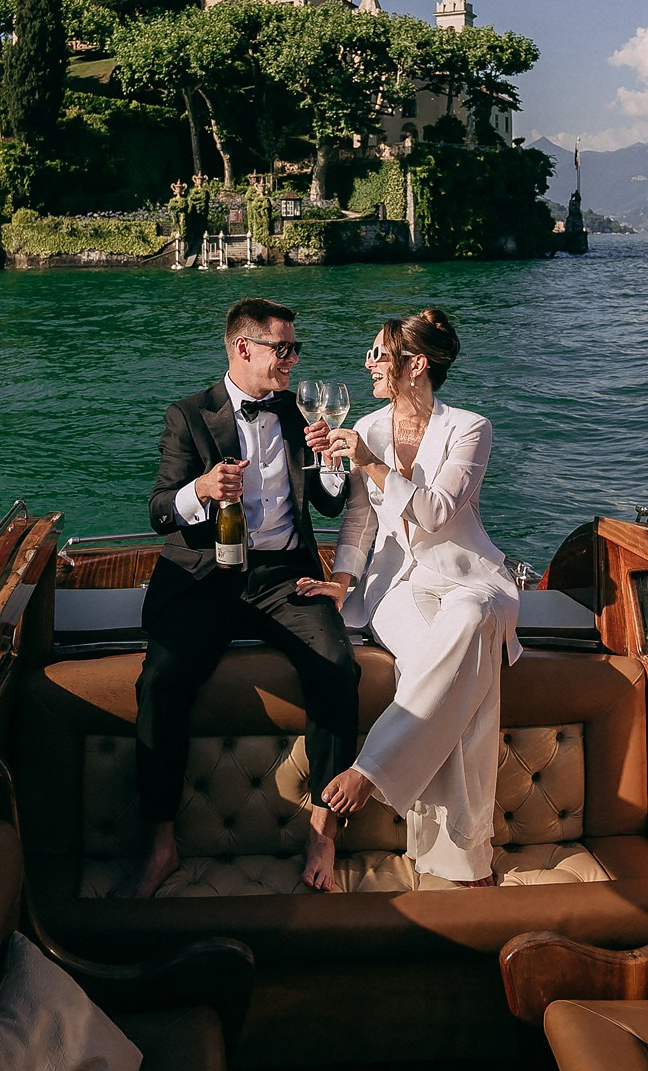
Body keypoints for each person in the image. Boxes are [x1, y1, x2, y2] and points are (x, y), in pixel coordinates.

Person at [135, 297, 354, 896]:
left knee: (337, 666)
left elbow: (331, 502)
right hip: (209, 576)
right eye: (282, 349)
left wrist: (328, 458)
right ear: (243, 349)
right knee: (160, 681)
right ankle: (160, 844)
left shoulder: (295, 410)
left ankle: (323, 831)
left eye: (294, 348)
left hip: (287, 577)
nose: (291, 360)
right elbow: (159, 512)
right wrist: (200, 489)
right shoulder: (188, 415)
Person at [307, 308, 520, 887]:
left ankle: (371, 771)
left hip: (466, 576)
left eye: (379, 354)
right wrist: (343, 581)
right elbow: (357, 520)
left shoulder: (470, 429)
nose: (368, 363)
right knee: (462, 677)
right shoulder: (368, 427)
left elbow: (436, 513)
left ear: (415, 364)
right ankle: (465, 861)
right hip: (395, 586)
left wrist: (371, 464)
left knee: (472, 621)